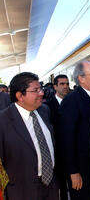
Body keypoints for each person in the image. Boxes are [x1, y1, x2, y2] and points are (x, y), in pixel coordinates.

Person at [0, 72, 59, 200]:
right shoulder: (3, 121)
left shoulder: (44, 110)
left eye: (41, 89)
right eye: (36, 90)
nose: (42, 93)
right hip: (22, 191)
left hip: (51, 186)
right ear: (20, 96)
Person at [58, 61, 90, 200]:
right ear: (81, 78)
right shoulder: (71, 101)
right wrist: (73, 172)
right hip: (82, 170)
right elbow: (66, 140)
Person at [45, 74, 70, 200]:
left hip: (72, 153)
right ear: (55, 86)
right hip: (56, 155)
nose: (65, 87)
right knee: (61, 188)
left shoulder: (73, 102)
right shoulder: (47, 107)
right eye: (62, 84)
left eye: (67, 84)